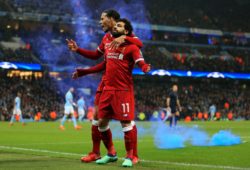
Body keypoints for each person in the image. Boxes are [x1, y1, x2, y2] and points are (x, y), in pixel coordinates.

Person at [67, 9, 142, 164]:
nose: (100, 22)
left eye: (102, 19)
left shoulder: (126, 34)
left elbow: (139, 43)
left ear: (112, 19)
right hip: (106, 83)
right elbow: (97, 57)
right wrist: (78, 52)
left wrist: (124, 38)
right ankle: (102, 152)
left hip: (121, 85)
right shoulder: (106, 38)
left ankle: (133, 155)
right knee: (96, 117)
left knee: (126, 121)